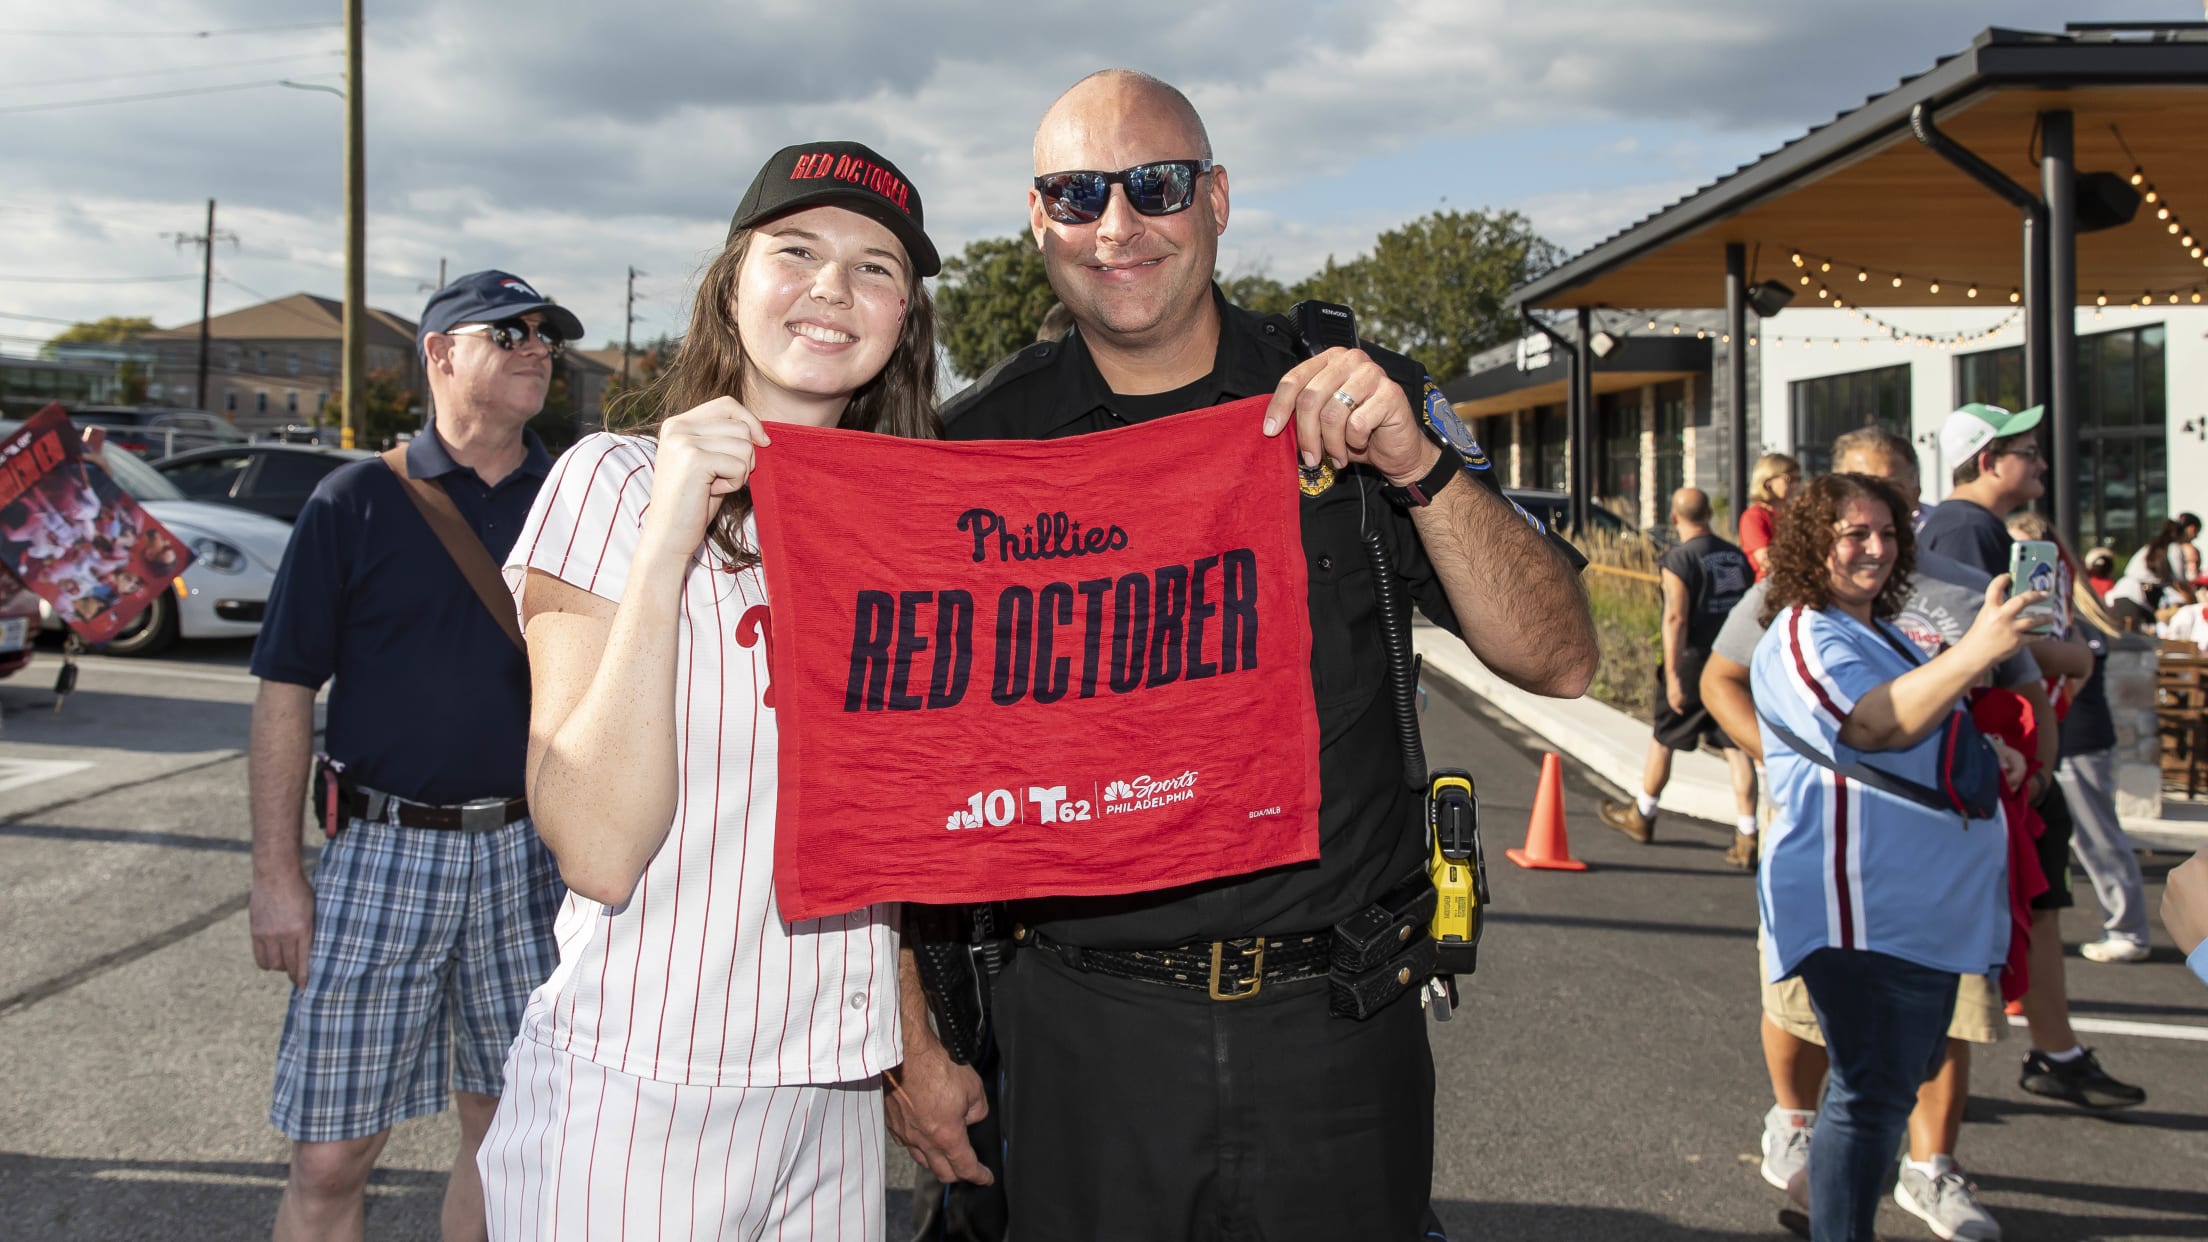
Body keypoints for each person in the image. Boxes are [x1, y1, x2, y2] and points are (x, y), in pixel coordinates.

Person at [892, 69, 1597, 1242]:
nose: (1116, 227)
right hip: (1081, 1042)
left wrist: (1417, 465)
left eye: (1154, 186)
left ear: (1215, 197)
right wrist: (914, 1046)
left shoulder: (1362, 404)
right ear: (1037, 221)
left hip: (1337, 1033)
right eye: (1077, 195)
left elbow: (1561, 658)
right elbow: (899, 776)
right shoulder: (971, 451)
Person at [473, 141, 941, 1237]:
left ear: (905, 323)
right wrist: (673, 529)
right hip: (642, 1094)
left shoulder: (907, 530)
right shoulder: (613, 481)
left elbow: (910, 833)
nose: (834, 287)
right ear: (732, 285)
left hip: (833, 1096)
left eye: (877, 267)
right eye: (796, 250)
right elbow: (593, 842)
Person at [247, 270, 579, 1242]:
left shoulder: (575, 502)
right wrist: (275, 875)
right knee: (331, 1153)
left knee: (508, 1132)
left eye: (545, 335)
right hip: (382, 853)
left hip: (530, 858)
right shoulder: (353, 500)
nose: (536, 347)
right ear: (438, 353)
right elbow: (282, 696)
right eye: (508, 332)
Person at [1703, 428, 2042, 1242]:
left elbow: (1921, 723)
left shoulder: (1871, 632)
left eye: (1887, 533)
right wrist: (1979, 652)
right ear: (1812, 543)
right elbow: (1869, 726)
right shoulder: (1806, 630)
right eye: (1855, 532)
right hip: (1866, 913)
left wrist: (1980, 744)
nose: (1876, 549)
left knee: (1888, 1086)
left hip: (1919, 915)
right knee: (1870, 1094)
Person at [1917, 402, 2145, 1113]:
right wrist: (2074, 652)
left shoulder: (1977, 527)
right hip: (1987, 751)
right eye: (2028, 452)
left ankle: (2056, 1051)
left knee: (2040, 902)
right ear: (1987, 461)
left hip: (2012, 750)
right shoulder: (1963, 527)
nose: (2042, 464)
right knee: (1991, 915)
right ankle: (1923, 1082)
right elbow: (1983, 636)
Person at [2008, 510, 2154, 964]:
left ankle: (2128, 927)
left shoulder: (2072, 613)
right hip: (2055, 738)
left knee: (2098, 838)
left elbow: (2068, 670)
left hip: (2079, 740)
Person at [1597, 486, 1758, 865]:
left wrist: (1672, 675)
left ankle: (1643, 814)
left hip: (1692, 660)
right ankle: (1749, 835)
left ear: (1674, 518)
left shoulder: (1679, 560)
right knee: (1736, 747)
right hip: (1732, 662)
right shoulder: (1735, 556)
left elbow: (1675, 618)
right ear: (1709, 516)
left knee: (1663, 738)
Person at [1739, 451, 1800, 581]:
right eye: (1789, 479)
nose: (1796, 485)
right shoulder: (1754, 516)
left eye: (1798, 479)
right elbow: (1768, 561)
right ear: (1768, 482)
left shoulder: (1794, 514)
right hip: (1771, 587)